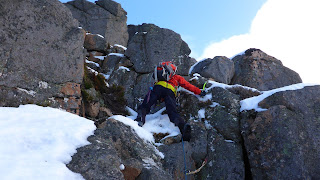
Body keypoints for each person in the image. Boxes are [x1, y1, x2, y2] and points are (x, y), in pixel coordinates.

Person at [134, 61, 206, 141]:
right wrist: (199, 92)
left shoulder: (160, 76)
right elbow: (188, 86)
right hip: (170, 92)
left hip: (158, 88)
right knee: (172, 113)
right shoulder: (177, 77)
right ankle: (183, 127)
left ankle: (140, 118)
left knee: (146, 105)